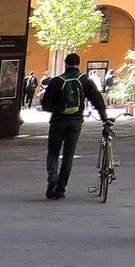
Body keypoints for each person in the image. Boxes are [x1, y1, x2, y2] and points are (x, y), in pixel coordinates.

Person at [39, 53, 108, 199]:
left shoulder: (56, 81)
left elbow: (46, 105)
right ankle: (61, 189)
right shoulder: (85, 80)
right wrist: (104, 118)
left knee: (53, 153)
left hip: (58, 121)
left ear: (65, 63)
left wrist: (57, 107)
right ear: (78, 63)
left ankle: (52, 176)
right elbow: (97, 100)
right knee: (68, 155)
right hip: (76, 122)